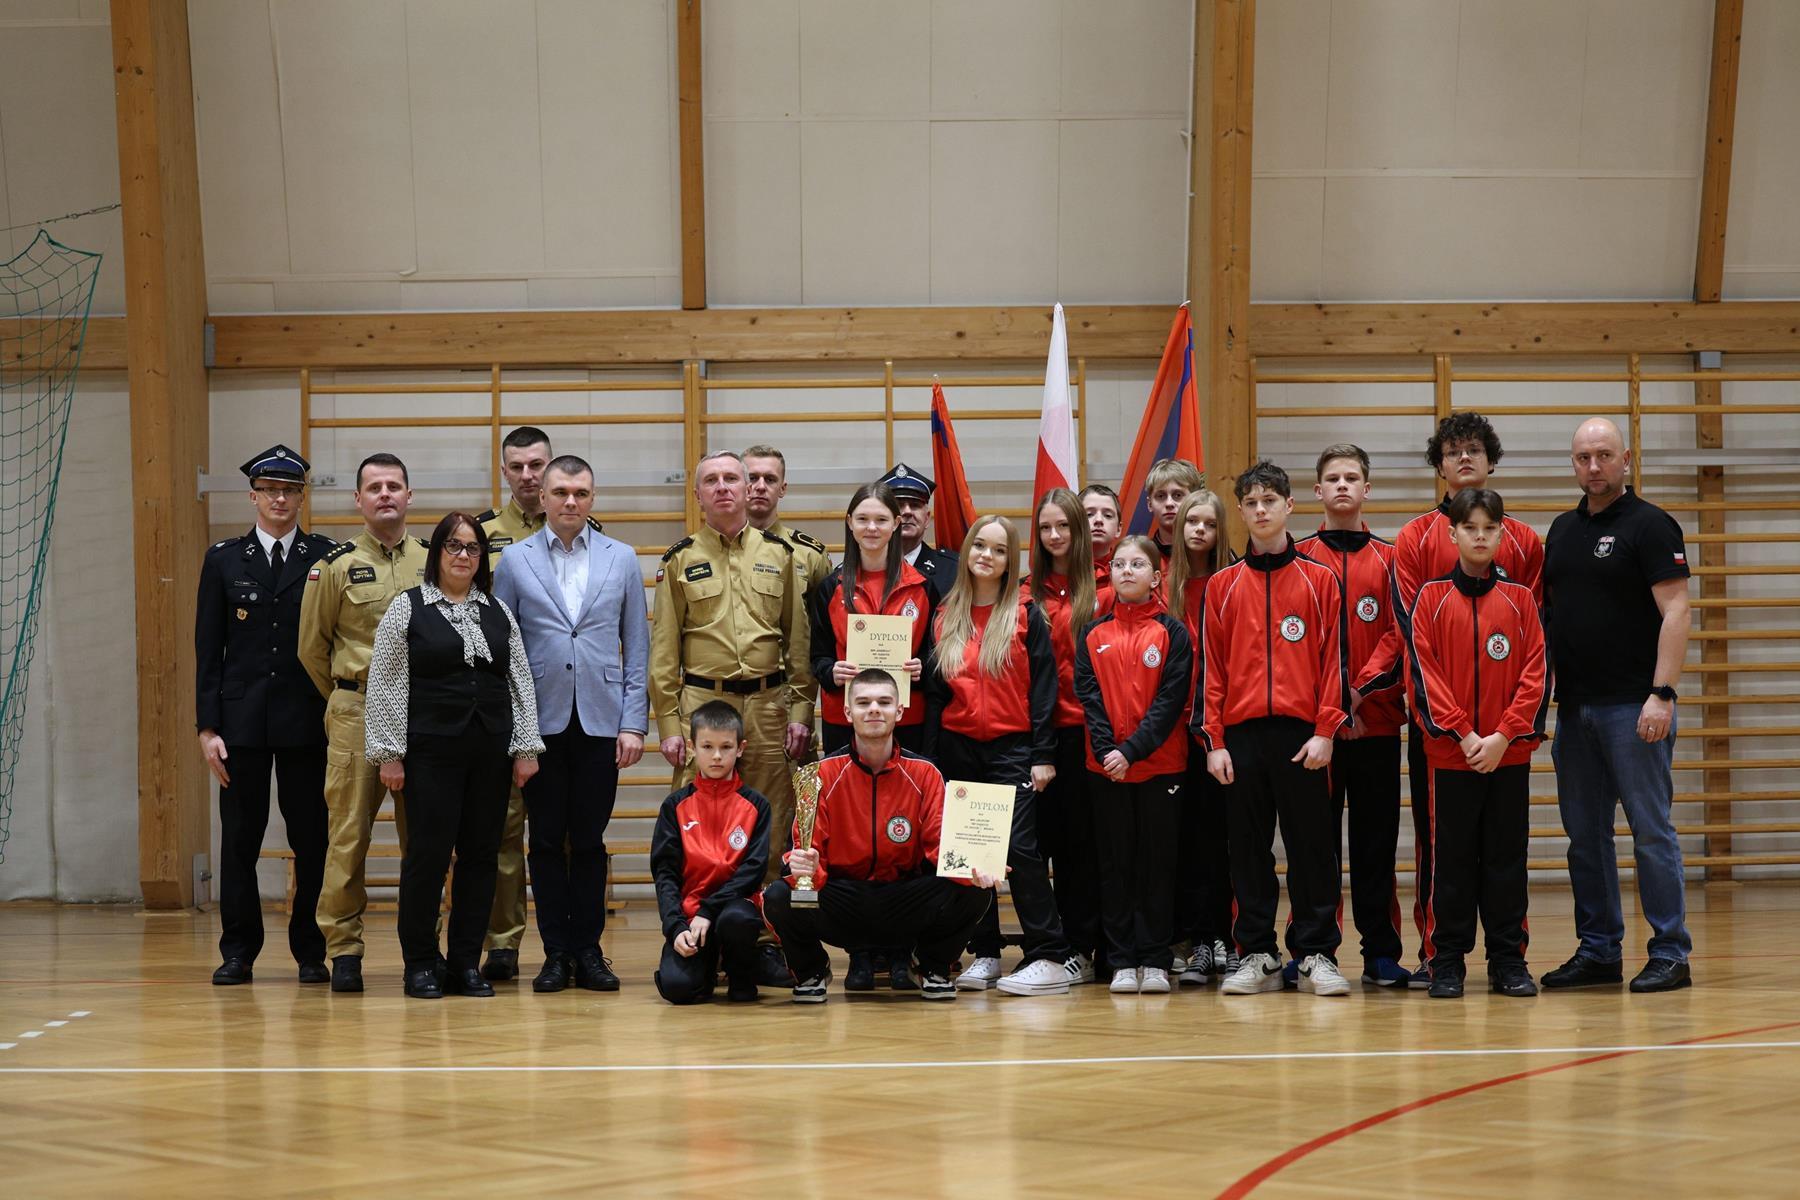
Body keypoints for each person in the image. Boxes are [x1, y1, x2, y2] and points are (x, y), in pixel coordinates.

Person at [650, 449, 814, 987]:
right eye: (711, 481)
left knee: (771, 825)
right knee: (696, 828)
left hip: (768, 707)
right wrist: (669, 725)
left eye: (731, 479)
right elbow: (664, 651)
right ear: (697, 494)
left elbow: (797, 643)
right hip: (702, 706)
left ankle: (759, 940)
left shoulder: (780, 556)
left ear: (748, 490)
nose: (723, 487)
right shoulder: (679, 560)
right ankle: (691, 932)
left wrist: (800, 712)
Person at [363, 514, 544, 999]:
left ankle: (465, 962)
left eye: (473, 548)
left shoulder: (497, 611)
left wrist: (526, 747)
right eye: (453, 546)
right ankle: (421, 963)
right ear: (437, 553)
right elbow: (386, 683)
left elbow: (519, 681)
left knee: (482, 857)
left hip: (490, 753)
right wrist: (389, 753)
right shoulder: (408, 607)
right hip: (430, 753)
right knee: (427, 856)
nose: (463, 555)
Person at [1541, 418, 1694, 993]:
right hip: (1575, 710)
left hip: (1634, 708)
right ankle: (1600, 950)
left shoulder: (1650, 525)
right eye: (1584, 457)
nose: (1594, 466)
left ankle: (1671, 952)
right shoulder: (1562, 530)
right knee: (1585, 838)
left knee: (1650, 832)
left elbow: (1676, 611)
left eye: (1604, 455)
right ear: (1573, 464)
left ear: (1625, 459)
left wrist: (1662, 693)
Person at [1393, 411, 1543, 986]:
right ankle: (1443, 957)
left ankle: (1508, 959)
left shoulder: (1523, 565)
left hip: (1508, 744)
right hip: (1445, 742)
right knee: (1445, 855)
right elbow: (1419, 655)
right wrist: (1459, 731)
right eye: (1452, 449)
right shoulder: (1419, 552)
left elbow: (1534, 660)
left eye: (1474, 449)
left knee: (1507, 856)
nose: (1463, 457)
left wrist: (1505, 733)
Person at [491, 455, 648, 994]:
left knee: (588, 840)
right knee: (543, 840)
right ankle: (556, 952)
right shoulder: (515, 560)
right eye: (560, 492)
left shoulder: (621, 557)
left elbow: (637, 647)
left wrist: (634, 723)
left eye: (580, 492)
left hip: (602, 722)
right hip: (540, 722)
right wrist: (517, 733)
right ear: (543, 498)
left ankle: (590, 950)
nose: (570, 501)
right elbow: (502, 651)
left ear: (592, 497)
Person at [1196, 461, 1350, 997]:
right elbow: (1211, 671)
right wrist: (1214, 742)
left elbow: (1334, 662)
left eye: (1270, 501)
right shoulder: (1222, 586)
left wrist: (1326, 731)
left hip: (1302, 736)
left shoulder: (1320, 579)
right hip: (1240, 739)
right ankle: (1257, 953)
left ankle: (1316, 953)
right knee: (1247, 851)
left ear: (1289, 506)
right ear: (1240, 511)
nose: (1261, 510)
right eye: (1251, 503)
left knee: (1312, 849)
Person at [763, 670, 996, 1003]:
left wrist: (972, 869)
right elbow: (808, 849)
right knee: (779, 896)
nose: (874, 709)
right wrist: (805, 866)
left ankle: (930, 966)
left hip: (905, 900)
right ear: (848, 712)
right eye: (864, 703)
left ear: (899, 711)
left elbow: (939, 845)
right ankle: (812, 970)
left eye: (884, 702)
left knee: (976, 891)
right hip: (843, 901)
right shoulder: (821, 776)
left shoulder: (925, 774)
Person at [195, 445, 338, 985]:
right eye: (270, 490)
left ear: (302, 497)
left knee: (312, 839)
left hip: (307, 721)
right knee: (240, 841)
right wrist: (207, 727)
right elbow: (209, 650)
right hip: (242, 724)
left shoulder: (325, 557)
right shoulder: (224, 559)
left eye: (290, 491)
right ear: (253, 496)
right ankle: (238, 951)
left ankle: (311, 950)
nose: (280, 499)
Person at [925, 515, 1081, 996]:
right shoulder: (945, 614)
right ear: (967, 552)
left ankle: (1049, 954)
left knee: (1020, 850)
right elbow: (936, 695)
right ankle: (986, 952)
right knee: (970, 852)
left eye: (998, 550)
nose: (986, 556)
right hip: (959, 748)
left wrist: (1043, 753)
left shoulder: (1027, 613)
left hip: (1014, 748)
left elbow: (1044, 690)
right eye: (979, 546)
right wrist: (931, 761)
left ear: (1010, 560)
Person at [297, 452, 429, 993]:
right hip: (357, 712)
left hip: (422, 716)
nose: (385, 495)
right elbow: (312, 649)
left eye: (394, 486)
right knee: (348, 837)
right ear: (358, 499)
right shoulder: (335, 566)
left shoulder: (434, 561)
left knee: (423, 843)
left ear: (409, 496)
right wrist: (353, 697)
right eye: (374, 487)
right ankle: (345, 950)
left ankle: (422, 950)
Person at [1295, 445, 1412, 989]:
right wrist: (1331, 712)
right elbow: (1294, 647)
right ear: (1317, 491)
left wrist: (1356, 695)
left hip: (1376, 726)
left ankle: (1381, 952)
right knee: (1312, 844)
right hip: (1315, 732)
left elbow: (1398, 634)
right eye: (1333, 478)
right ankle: (1312, 949)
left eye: (1352, 478)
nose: (1343, 485)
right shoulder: (1297, 557)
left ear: (1368, 489)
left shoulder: (1392, 559)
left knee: (1375, 845)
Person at [1074, 536, 1192, 994]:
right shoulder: (1092, 633)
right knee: (1115, 864)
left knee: (1157, 866)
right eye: (1120, 563)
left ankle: (1156, 958)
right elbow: (1090, 700)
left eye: (1137, 564)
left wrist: (1132, 751)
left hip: (1160, 767)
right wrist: (1110, 752)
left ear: (1156, 576)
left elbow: (1169, 703)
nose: (1126, 570)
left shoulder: (1172, 633)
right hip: (1105, 769)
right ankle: (1122, 959)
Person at [475, 424, 554, 983]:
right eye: (518, 466)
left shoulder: (579, 529)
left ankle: (565, 944)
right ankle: (502, 943)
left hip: (561, 705)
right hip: (498, 705)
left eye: (537, 465)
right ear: (504, 471)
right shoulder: (479, 536)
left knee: (561, 834)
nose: (528, 475)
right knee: (502, 829)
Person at [1024, 487, 1109, 980]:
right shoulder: (1024, 593)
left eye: (1063, 526)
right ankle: (1051, 945)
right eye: (1045, 528)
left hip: (1086, 735)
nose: (1054, 536)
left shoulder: (1106, 588)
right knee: (1040, 845)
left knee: (1082, 848)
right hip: (1036, 735)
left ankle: (1085, 945)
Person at [650, 701, 772, 1005]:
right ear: (692, 747)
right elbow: (665, 874)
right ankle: (704, 966)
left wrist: (709, 910)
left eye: (726, 747)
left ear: (740, 748)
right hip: (690, 917)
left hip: (734, 910)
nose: (717, 756)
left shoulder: (757, 805)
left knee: (737, 921)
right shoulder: (674, 806)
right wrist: (675, 927)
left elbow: (753, 871)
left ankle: (741, 972)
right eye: (707, 746)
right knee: (679, 989)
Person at [1165, 489, 1235, 985]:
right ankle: (1198, 940)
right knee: (1187, 842)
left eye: (1209, 524)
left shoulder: (1232, 581)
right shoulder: (1162, 585)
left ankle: (1227, 938)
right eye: (1192, 522)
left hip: (1221, 731)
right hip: (1172, 734)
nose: (1199, 531)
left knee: (1224, 841)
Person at [809, 481, 934, 758]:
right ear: (850, 522)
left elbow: (935, 655)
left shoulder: (923, 587)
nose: (872, 528)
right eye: (863, 519)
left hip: (906, 718)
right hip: (844, 717)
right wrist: (831, 672)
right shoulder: (831, 587)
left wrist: (922, 668)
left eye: (881, 520)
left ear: (896, 524)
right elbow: (818, 656)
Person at [743, 443, 832, 595]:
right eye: (752, 478)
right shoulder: (721, 549)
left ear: (782, 489)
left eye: (770, 479)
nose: (761, 486)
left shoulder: (810, 555)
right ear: (739, 484)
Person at [881, 462, 959, 602]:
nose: (907, 512)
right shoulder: (862, 568)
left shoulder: (954, 570)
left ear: (927, 518)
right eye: (898, 505)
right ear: (882, 518)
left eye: (915, 505)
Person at [1142, 458, 1205, 562]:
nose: (1169, 503)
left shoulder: (1215, 554)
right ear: (1150, 504)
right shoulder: (1141, 557)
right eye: (1161, 496)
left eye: (1178, 495)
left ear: (1194, 500)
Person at [1080, 483, 1124, 597]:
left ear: (1119, 528)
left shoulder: (1129, 573)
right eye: (1089, 514)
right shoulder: (1059, 571)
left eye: (1108, 515)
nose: (1098, 520)